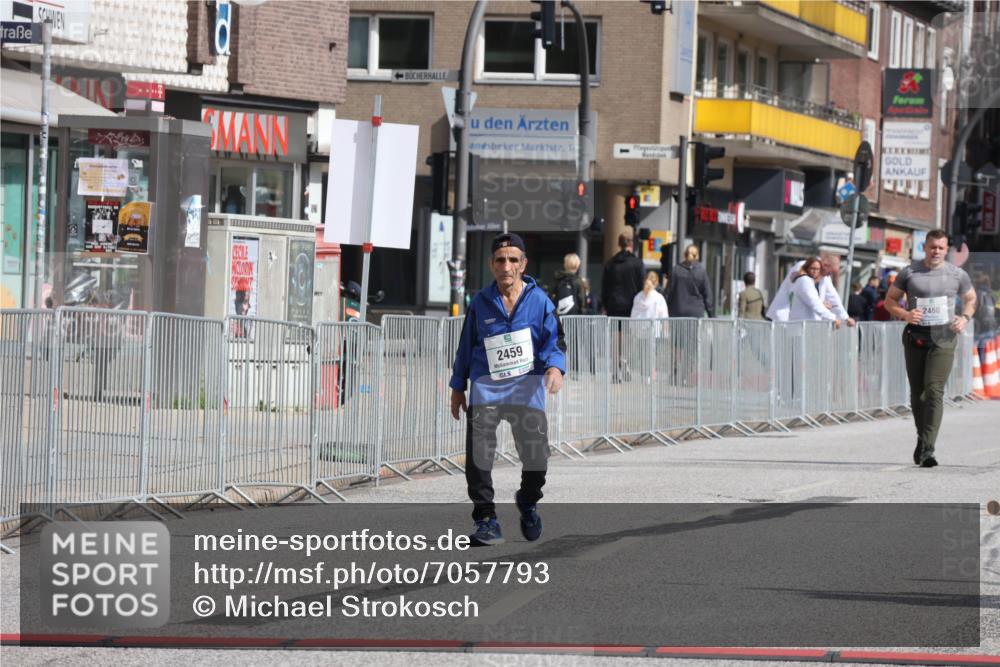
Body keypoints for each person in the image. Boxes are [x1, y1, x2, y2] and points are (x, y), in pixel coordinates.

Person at [450, 233, 566, 545]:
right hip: (486, 389)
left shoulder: (540, 301)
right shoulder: (481, 302)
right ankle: (486, 520)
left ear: (523, 264)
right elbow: (466, 346)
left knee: (536, 459)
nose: (506, 266)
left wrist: (556, 368)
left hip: (527, 390)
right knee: (478, 458)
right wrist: (458, 386)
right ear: (492, 264)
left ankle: (528, 501)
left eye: (513, 260)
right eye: (500, 260)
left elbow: (555, 341)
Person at [883, 229, 976, 468]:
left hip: (943, 337)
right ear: (924, 247)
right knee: (918, 392)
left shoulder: (957, 274)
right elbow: (889, 301)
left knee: (934, 390)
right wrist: (905, 314)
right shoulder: (909, 272)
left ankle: (927, 449)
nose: (936, 251)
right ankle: (923, 437)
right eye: (932, 246)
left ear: (947, 250)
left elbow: (971, 299)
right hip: (916, 336)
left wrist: (964, 318)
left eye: (941, 247)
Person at [766, 252, 854, 326]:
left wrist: (845, 317)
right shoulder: (803, 271)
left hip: (800, 322)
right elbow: (810, 298)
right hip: (783, 317)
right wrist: (832, 316)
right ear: (825, 265)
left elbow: (833, 296)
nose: (829, 275)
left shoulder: (823, 275)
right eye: (830, 272)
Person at [788, 256, 842, 327]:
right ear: (806, 268)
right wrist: (833, 318)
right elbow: (814, 304)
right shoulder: (805, 281)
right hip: (802, 327)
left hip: (803, 326)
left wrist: (821, 304)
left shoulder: (805, 280)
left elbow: (809, 301)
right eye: (812, 268)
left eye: (818, 269)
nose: (815, 271)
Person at [601, 232, 645, 317]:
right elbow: (642, 285)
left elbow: (605, 288)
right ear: (631, 244)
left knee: (614, 326)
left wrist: (605, 305)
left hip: (613, 306)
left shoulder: (610, 264)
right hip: (632, 307)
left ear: (619, 244)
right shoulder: (638, 263)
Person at [666, 244, 714, 318]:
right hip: (696, 313)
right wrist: (711, 315)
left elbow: (668, 292)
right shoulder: (701, 272)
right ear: (697, 256)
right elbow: (708, 296)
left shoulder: (676, 270)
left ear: (684, 255)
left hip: (677, 312)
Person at [551, 253, 587, 317]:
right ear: (577, 265)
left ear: (565, 264)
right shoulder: (579, 281)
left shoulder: (558, 279)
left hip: (558, 316)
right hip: (574, 317)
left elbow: (551, 296)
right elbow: (582, 301)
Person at [973, 273, 997, 366]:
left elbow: (972, 309)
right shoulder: (991, 294)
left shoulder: (977, 294)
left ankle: (977, 370)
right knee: (986, 352)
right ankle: (984, 370)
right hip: (990, 327)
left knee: (975, 353)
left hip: (978, 329)